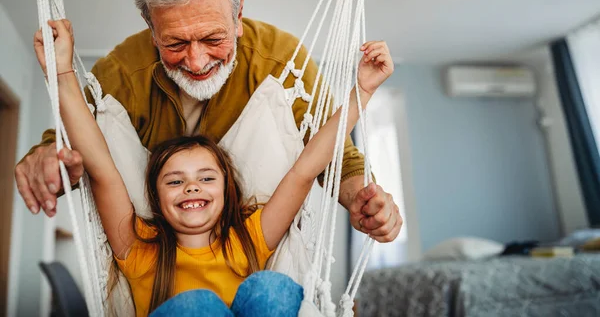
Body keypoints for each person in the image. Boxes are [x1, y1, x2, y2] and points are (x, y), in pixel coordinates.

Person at [15, 0, 402, 244]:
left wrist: (362, 198)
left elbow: (332, 157)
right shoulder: (122, 70)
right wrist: (47, 156)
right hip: (157, 258)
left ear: (238, 17)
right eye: (175, 44)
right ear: (151, 29)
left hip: (257, 249)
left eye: (213, 38)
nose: (197, 62)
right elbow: (74, 142)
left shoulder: (284, 63)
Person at [33, 17, 394, 316]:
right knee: (196, 306)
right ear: (155, 197)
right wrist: (61, 73)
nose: (192, 187)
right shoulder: (139, 249)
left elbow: (305, 169)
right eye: (175, 181)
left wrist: (361, 92)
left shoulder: (248, 240)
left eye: (206, 178)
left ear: (227, 191)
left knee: (271, 290)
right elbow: (101, 167)